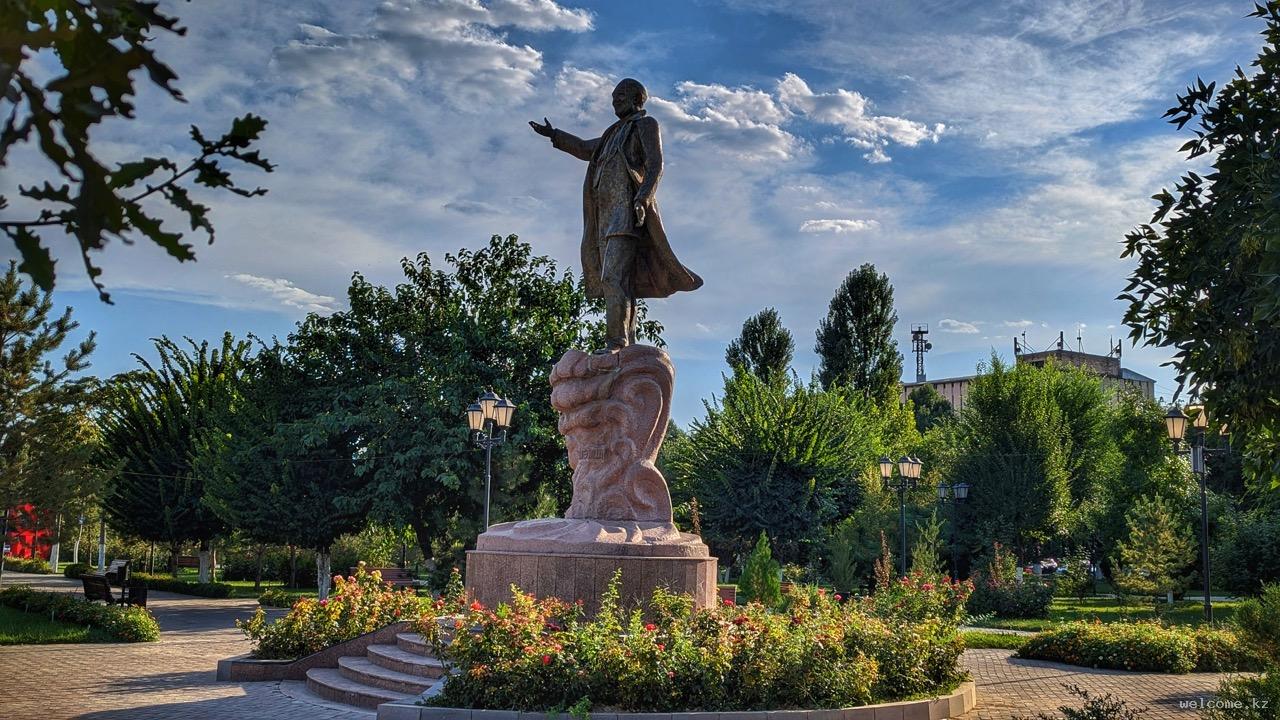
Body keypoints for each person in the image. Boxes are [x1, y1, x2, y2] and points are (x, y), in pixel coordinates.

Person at [530, 78, 702, 351]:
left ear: (638, 99)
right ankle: (626, 341)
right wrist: (555, 136)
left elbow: (656, 165)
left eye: (621, 95)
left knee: (612, 277)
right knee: (619, 281)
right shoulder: (612, 135)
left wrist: (644, 196)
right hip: (605, 219)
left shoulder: (645, 125)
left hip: (627, 215)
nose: (615, 100)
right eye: (613, 96)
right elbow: (586, 148)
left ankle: (617, 342)